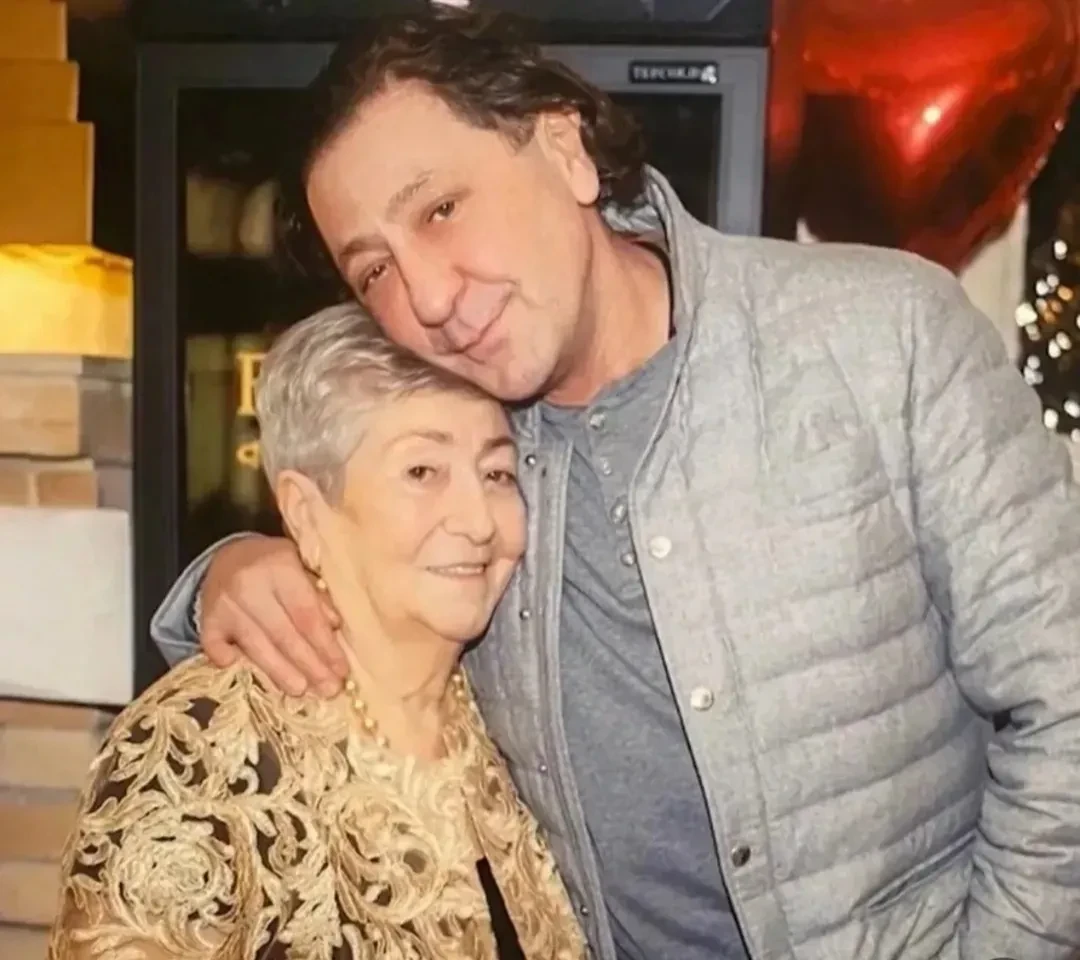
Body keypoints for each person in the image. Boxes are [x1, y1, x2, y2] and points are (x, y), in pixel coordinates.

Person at [151, 8, 1080, 960]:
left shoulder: (885, 336)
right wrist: (230, 570)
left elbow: (1065, 699)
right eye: (375, 269)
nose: (426, 297)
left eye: (441, 209)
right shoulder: (465, 461)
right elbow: (346, 615)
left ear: (565, 151)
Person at [49, 303, 586, 960]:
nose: (478, 520)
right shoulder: (199, 752)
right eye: (423, 472)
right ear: (304, 511)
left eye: (496, 473)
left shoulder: (506, 706)